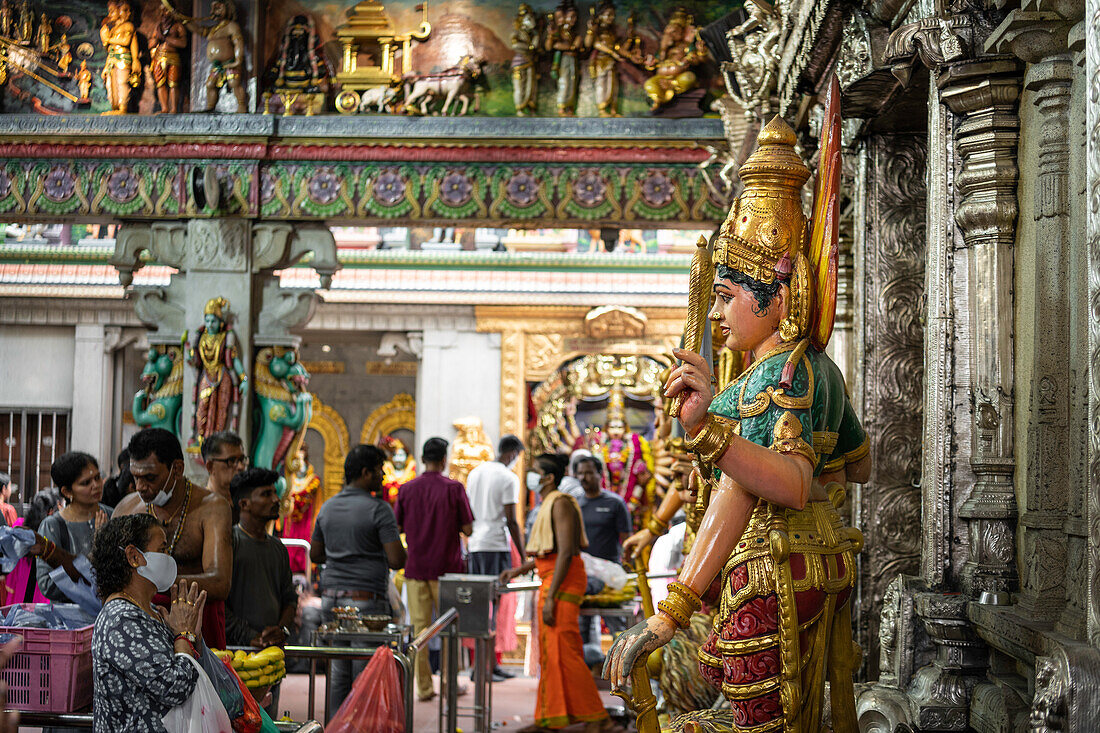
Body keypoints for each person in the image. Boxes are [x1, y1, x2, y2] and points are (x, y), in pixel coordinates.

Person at [500, 454, 615, 733]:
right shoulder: (547, 503)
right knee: (552, 653)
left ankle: (598, 716)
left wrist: (551, 596)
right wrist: (517, 571)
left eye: (535, 472)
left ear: (548, 478)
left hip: (562, 583)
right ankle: (549, 718)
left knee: (566, 651)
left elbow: (565, 552)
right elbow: (547, 552)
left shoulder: (561, 502)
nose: (530, 476)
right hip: (552, 578)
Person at [114, 427, 233, 649]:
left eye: (150, 477)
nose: (140, 487)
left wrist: (154, 580)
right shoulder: (127, 508)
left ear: (177, 469)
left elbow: (220, 582)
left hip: (198, 629)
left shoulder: (212, 507)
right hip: (142, 628)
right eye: (135, 477)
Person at [310, 444, 406, 717]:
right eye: (379, 470)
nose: (383, 476)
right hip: (366, 603)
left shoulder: (328, 507)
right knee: (366, 673)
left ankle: (336, 724)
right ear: (365, 473)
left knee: (339, 670)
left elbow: (316, 554)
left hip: (332, 599)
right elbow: (397, 560)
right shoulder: (379, 509)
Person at [91, 513, 207, 733]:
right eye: (162, 550)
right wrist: (184, 634)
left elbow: (185, 667)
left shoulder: (150, 611)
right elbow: (176, 686)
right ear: (134, 557)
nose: (168, 557)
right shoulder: (120, 619)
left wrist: (191, 636)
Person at [395, 437, 475, 700]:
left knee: (420, 632)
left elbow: (398, 529)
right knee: (451, 629)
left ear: (421, 459)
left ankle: (424, 687)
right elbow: (468, 529)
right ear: (444, 460)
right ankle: (451, 684)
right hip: (447, 571)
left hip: (416, 569)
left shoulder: (406, 489)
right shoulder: (454, 488)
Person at [226, 467, 297, 717]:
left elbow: (289, 598)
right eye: (266, 494)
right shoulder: (229, 542)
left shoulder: (277, 548)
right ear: (244, 503)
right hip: (236, 655)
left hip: (270, 656)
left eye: (274, 494)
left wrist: (281, 629)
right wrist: (250, 635)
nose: (276, 500)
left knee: (268, 720)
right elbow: (218, 603)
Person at [465, 434, 526, 679]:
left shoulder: (475, 473)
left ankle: (484, 665)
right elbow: (511, 520)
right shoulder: (508, 478)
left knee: (480, 607)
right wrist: (522, 555)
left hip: (476, 544)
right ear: (512, 453)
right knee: (495, 607)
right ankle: (484, 668)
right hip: (496, 545)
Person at [36, 452, 111, 605]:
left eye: (97, 478)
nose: (96, 485)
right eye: (86, 483)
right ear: (67, 492)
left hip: (109, 616)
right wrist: (96, 551)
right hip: (69, 620)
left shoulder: (114, 515)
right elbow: (47, 585)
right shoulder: (53, 525)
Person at [201, 430, 248, 507]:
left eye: (241, 460)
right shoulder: (201, 507)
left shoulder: (246, 504)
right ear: (210, 466)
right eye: (231, 461)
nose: (241, 467)